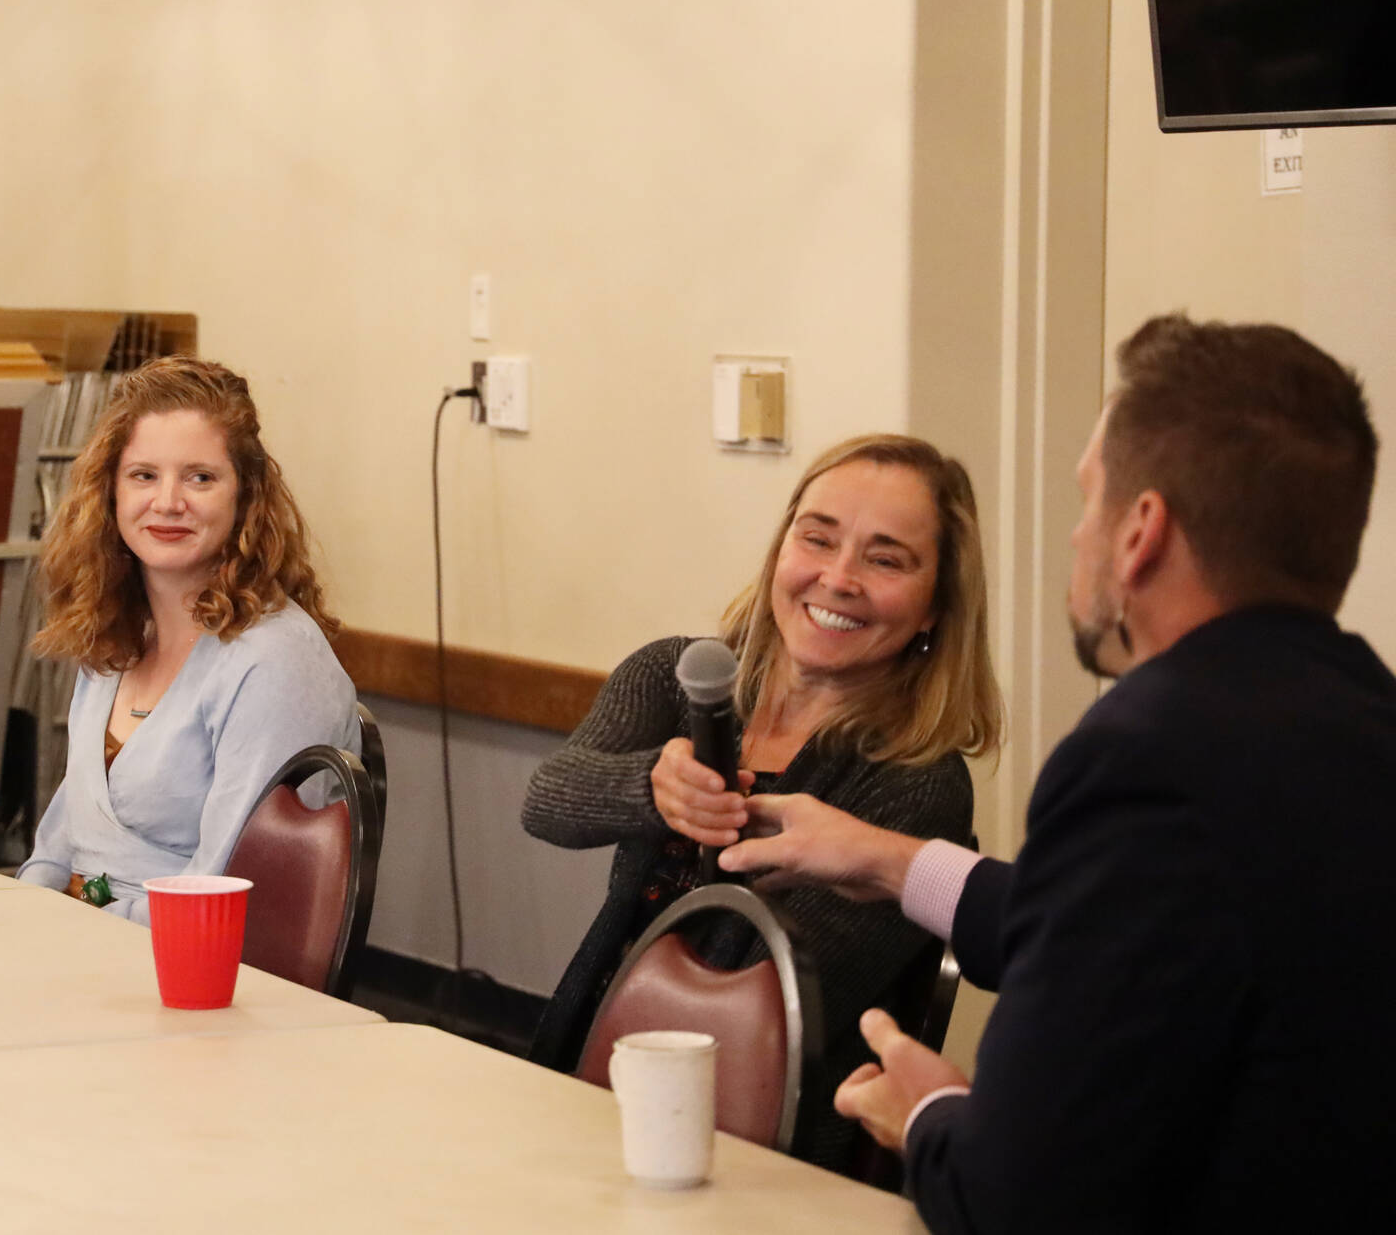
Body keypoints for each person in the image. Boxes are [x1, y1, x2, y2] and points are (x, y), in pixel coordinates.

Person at [718, 315, 1395, 1231]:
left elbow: (1017, 1194)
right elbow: (1137, 925)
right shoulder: (1364, 718)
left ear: (1140, 532)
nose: (1078, 538)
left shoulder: (1147, 753)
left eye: (1089, 501)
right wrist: (890, 861)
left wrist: (928, 1111)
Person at [522, 434, 1000, 1171]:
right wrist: (650, 786)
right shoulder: (673, 675)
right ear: (781, 549)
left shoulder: (918, 781)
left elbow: (768, 1000)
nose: (838, 578)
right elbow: (546, 801)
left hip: (761, 1135)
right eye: (818, 539)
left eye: (885, 560)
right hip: (589, 1070)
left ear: (936, 605)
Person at [16, 356, 359, 922]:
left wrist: (76, 929)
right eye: (144, 475)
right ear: (110, 491)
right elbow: (61, 843)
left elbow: (223, 891)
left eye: (200, 477)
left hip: (188, 956)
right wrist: (22, 915)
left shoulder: (273, 660)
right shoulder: (117, 631)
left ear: (245, 497)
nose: (168, 502)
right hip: (84, 938)